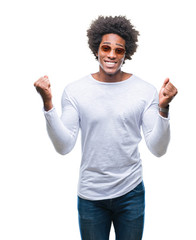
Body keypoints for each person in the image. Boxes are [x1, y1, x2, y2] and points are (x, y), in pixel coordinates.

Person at [34, 16, 178, 240]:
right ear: (96, 49)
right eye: (106, 48)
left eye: (118, 50)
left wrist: (164, 108)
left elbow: (158, 149)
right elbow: (64, 146)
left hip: (131, 192)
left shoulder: (144, 90)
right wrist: (48, 103)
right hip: (91, 195)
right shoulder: (76, 90)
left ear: (126, 53)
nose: (111, 55)